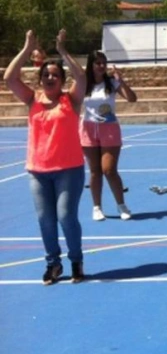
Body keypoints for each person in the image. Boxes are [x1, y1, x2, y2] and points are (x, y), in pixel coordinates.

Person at [4, 29, 87, 285]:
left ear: (61, 79)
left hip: (69, 170)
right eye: (46, 75)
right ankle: (53, 263)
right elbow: (9, 78)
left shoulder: (71, 100)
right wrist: (27, 48)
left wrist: (63, 51)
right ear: (40, 79)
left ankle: (76, 260)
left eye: (55, 75)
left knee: (65, 216)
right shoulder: (32, 99)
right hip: (38, 171)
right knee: (45, 220)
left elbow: (82, 77)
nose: (50, 77)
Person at [81, 51, 137, 221]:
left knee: (109, 170)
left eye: (103, 63)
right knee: (95, 171)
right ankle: (97, 207)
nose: (101, 66)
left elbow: (132, 98)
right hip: (88, 129)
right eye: (97, 63)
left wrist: (122, 81)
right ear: (91, 65)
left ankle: (121, 205)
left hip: (109, 129)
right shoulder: (84, 84)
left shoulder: (112, 83)